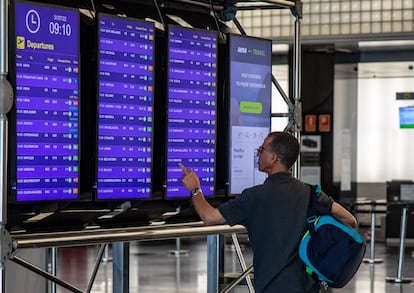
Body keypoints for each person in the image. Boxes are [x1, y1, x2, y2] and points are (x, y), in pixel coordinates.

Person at [179, 131, 357, 293]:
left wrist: (195, 189)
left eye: (262, 149)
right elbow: (350, 221)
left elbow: (209, 217)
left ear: (274, 157)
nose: (258, 153)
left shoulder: (255, 197)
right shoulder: (311, 192)